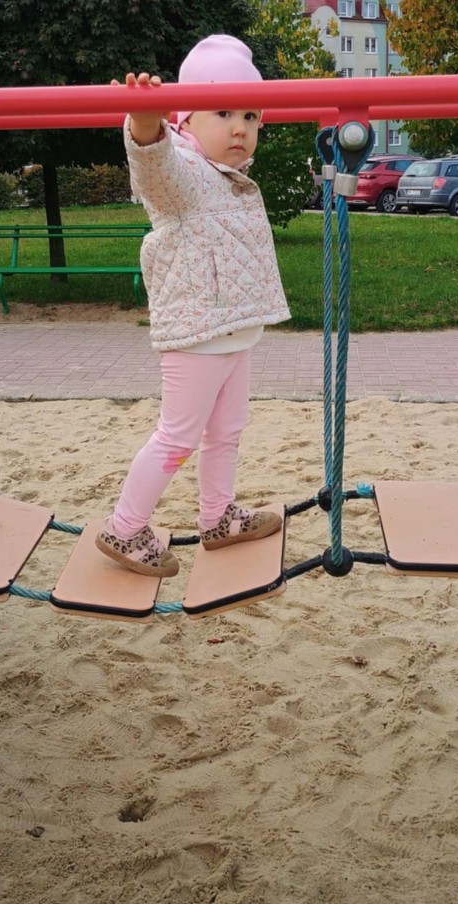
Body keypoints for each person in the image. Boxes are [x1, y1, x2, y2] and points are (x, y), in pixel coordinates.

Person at [96, 35, 291, 578]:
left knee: (227, 432)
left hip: (236, 333)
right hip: (197, 338)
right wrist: (145, 124)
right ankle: (125, 526)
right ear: (184, 120)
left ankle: (217, 516)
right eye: (223, 113)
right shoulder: (183, 172)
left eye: (250, 116)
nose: (239, 128)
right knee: (178, 436)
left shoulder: (229, 177)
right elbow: (154, 167)